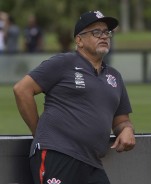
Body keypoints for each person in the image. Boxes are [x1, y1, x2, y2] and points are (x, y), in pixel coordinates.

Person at [13, 10, 135, 184]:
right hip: (58, 155)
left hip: (92, 162)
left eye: (106, 32)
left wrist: (128, 130)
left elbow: (121, 120)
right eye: (96, 32)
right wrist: (38, 132)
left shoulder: (114, 76)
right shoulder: (64, 62)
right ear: (79, 40)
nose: (104, 36)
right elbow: (22, 89)